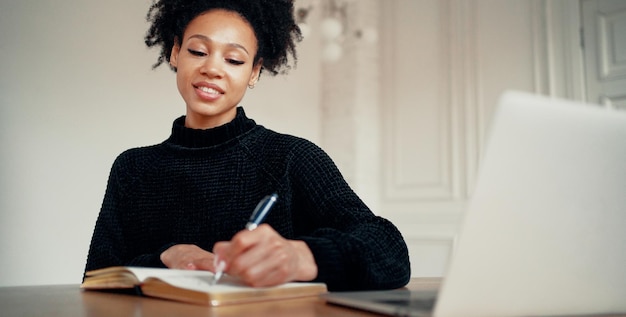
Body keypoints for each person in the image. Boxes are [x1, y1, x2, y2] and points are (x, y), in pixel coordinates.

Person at [84, 0, 411, 291]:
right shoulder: (133, 168)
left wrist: (299, 256)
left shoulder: (291, 158)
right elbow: (97, 280)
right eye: (198, 51)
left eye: (234, 60)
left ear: (254, 72)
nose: (211, 68)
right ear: (175, 52)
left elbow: (389, 251)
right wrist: (166, 256)